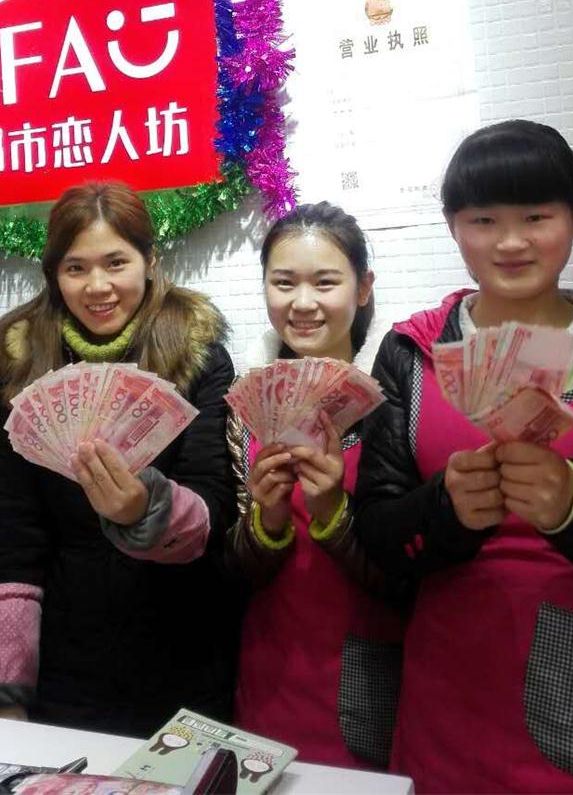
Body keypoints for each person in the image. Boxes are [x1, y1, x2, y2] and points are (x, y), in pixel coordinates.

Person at [353, 120, 573, 793]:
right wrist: (444, 510)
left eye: (536, 216)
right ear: (453, 227)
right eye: (484, 220)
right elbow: (376, 537)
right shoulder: (410, 354)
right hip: (450, 704)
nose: (512, 241)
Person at [0, 182, 239, 736]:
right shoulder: (22, 362)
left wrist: (145, 509)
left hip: (184, 640)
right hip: (67, 656)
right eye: (76, 268)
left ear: (149, 260)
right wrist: (3, 691)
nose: (97, 286)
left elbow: (215, 502)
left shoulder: (197, 353)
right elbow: (12, 536)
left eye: (116, 263)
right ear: (53, 274)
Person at [229, 202, 404, 769]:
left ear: (363, 287)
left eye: (325, 282)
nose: (302, 303)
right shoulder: (242, 412)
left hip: (372, 683)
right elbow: (233, 575)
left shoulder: (397, 406)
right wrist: (268, 519)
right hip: (268, 675)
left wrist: (333, 512)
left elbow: (414, 574)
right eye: (284, 283)